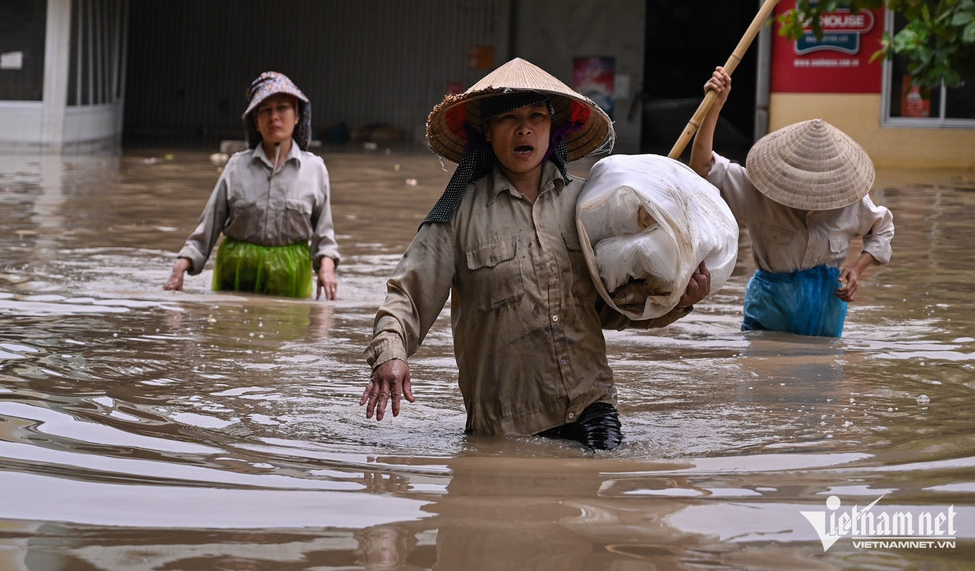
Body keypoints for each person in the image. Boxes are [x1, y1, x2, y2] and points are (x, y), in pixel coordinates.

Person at [359, 57, 711, 450]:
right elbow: (407, 295)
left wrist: (677, 298)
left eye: (536, 116)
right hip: (503, 423)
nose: (524, 128)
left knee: (603, 488)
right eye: (509, 118)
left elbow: (615, 307)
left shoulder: (591, 205)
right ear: (488, 133)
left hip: (591, 406)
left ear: (553, 128)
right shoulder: (455, 215)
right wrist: (392, 354)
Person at [690, 66, 893, 337]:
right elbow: (703, 167)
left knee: (823, 375)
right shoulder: (758, 191)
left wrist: (857, 269)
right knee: (765, 371)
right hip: (769, 310)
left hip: (826, 313)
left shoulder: (850, 201)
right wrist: (714, 107)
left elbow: (882, 228)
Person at [164, 71, 340, 300]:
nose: (274, 117)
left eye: (282, 108)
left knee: (290, 334)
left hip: (290, 275)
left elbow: (324, 235)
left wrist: (326, 269)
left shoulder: (315, 169)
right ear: (255, 121)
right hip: (236, 271)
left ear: (297, 116)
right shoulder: (237, 166)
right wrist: (180, 268)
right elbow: (208, 227)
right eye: (265, 110)